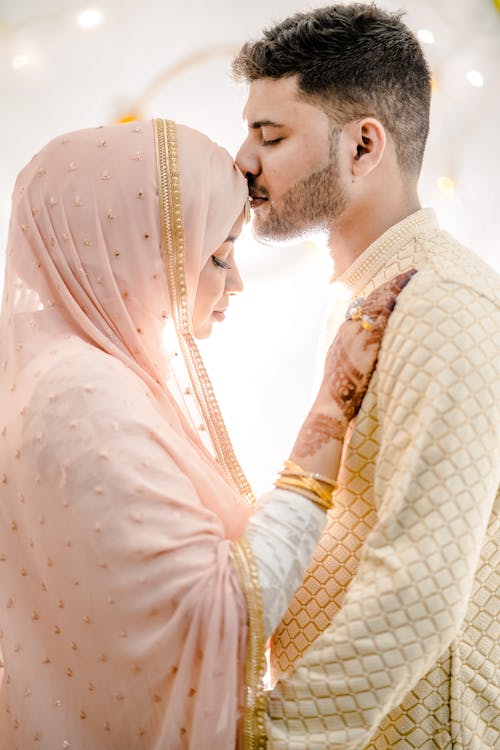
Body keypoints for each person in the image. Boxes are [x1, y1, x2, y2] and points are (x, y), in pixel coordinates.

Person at [0, 118, 412, 749]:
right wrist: (331, 410)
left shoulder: (73, 375)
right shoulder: (83, 398)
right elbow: (225, 612)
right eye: (218, 255)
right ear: (128, 255)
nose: (236, 282)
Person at [233, 3, 500, 748]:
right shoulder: (365, 298)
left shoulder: (443, 304)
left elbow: (420, 580)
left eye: (271, 135)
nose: (243, 161)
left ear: (363, 145)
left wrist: (273, 736)